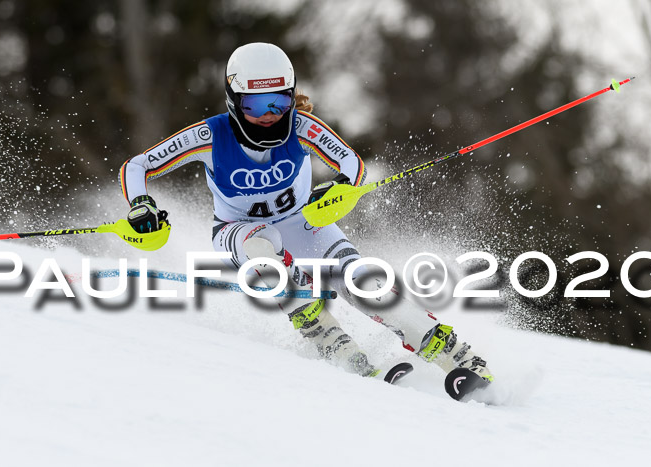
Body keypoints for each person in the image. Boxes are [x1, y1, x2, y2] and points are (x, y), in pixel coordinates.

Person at [119, 42, 492, 383]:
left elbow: (351, 163)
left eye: (279, 103)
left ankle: (458, 359)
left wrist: (342, 188)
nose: (269, 116)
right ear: (234, 100)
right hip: (239, 230)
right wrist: (141, 205)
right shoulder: (210, 136)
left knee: (363, 281)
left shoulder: (302, 127)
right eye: (255, 106)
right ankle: (333, 343)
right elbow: (137, 166)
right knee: (264, 250)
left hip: (303, 223)